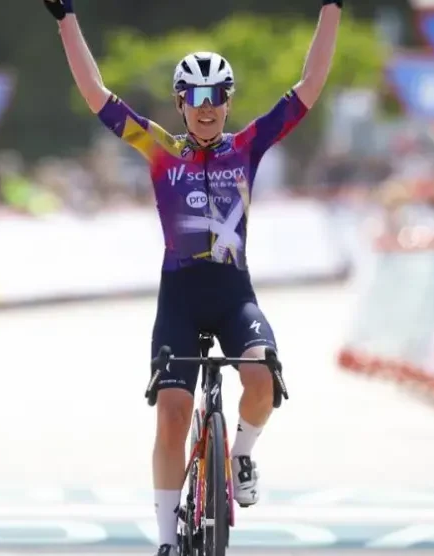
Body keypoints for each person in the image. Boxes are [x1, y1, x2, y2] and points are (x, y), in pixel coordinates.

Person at [40, 1, 343, 554]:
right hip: (179, 299)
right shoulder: (160, 148)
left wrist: (331, 7)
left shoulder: (247, 147)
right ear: (180, 103)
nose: (207, 107)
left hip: (233, 295)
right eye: (196, 96)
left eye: (217, 95)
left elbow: (310, 85)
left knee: (263, 379)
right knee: (173, 414)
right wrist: (66, 19)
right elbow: (96, 94)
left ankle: (242, 453)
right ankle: (165, 539)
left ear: (228, 101)